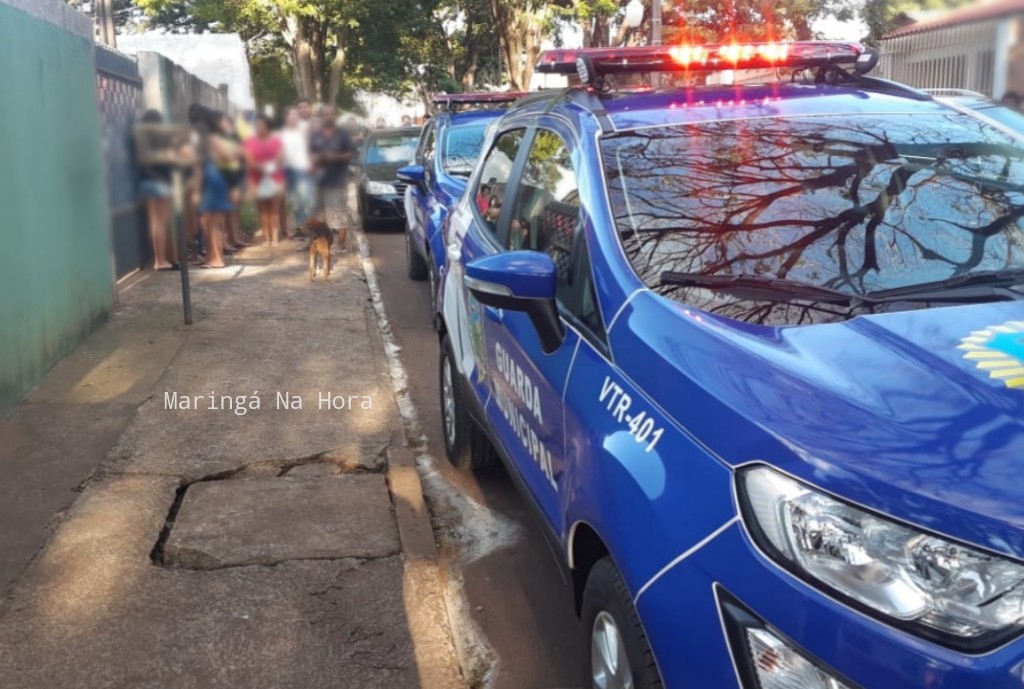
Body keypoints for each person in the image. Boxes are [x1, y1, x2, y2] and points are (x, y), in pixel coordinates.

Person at [192, 107, 235, 268]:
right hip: (218, 179)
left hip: (208, 182)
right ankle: (212, 257)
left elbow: (197, 169)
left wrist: (196, 191)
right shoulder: (214, 140)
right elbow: (230, 156)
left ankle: (216, 258)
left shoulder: (199, 143)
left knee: (211, 223)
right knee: (215, 222)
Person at [310, 105, 356, 250]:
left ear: (334, 116)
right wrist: (316, 158)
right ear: (321, 116)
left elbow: (351, 153)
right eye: (325, 114)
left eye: (331, 114)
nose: (328, 117)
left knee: (339, 212)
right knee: (319, 214)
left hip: (337, 180)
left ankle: (341, 243)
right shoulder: (316, 135)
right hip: (319, 180)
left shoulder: (343, 134)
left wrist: (334, 157)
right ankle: (322, 242)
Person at [138, 109, 177, 270]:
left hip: (146, 183)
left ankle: (157, 259)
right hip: (162, 183)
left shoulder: (141, 140)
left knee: (154, 222)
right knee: (162, 222)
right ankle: (161, 261)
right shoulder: (164, 139)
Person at [245, 114, 286, 246]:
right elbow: (248, 160)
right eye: (256, 125)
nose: (258, 127)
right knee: (262, 209)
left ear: (267, 126)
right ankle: (266, 237)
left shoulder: (276, 141)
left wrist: (271, 167)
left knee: (274, 209)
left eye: (261, 125)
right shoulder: (250, 141)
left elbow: (281, 157)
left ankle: (274, 237)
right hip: (257, 178)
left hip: (275, 177)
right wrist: (263, 167)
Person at [215, 113, 249, 251]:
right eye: (224, 121)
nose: (227, 124)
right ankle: (225, 240)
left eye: (228, 121)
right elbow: (228, 155)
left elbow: (243, 152)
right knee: (224, 212)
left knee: (234, 210)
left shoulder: (233, 136)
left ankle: (234, 237)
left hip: (237, 176)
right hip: (224, 177)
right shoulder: (217, 138)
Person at [281, 107, 315, 235]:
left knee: (308, 198)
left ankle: (311, 224)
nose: (294, 117)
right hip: (289, 169)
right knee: (295, 200)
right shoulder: (283, 133)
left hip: (303, 169)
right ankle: (301, 226)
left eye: (296, 115)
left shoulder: (303, 130)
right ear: (286, 117)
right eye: (292, 114)